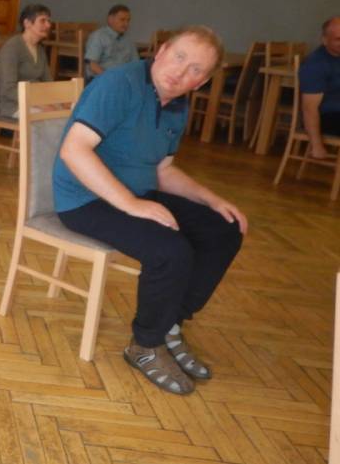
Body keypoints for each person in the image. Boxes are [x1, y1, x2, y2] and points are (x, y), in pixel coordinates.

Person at [53, 26, 247, 395]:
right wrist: (132, 204)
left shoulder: (177, 104)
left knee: (225, 228)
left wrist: (210, 198)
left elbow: (163, 170)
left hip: (138, 191)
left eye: (195, 69)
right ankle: (145, 344)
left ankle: (170, 324)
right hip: (85, 199)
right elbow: (73, 151)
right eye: (179, 57)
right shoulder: (119, 84)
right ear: (161, 51)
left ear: (203, 81)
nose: (181, 72)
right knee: (170, 250)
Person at [0, 3, 53, 120]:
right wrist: (38, 103)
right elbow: (8, 89)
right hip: (14, 106)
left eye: (48, 21)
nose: (48, 25)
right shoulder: (12, 48)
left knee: (71, 113)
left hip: (37, 101)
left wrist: (62, 100)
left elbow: (49, 82)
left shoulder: (40, 49)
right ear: (27, 23)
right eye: (42, 21)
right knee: (53, 117)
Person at [299, 16, 340, 158]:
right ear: (324, 40)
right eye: (338, 39)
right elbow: (309, 109)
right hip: (327, 117)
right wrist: (316, 146)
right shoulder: (316, 65)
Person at [85, 4, 137, 79]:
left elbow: (135, 64)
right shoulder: (99, 36)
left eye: (128, 20)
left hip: (123, 80)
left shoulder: (128, 40)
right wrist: (110, 79)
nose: (126, 24)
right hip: (102, 79)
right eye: (122, 20)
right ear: (110, 19)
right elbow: (92, 65)